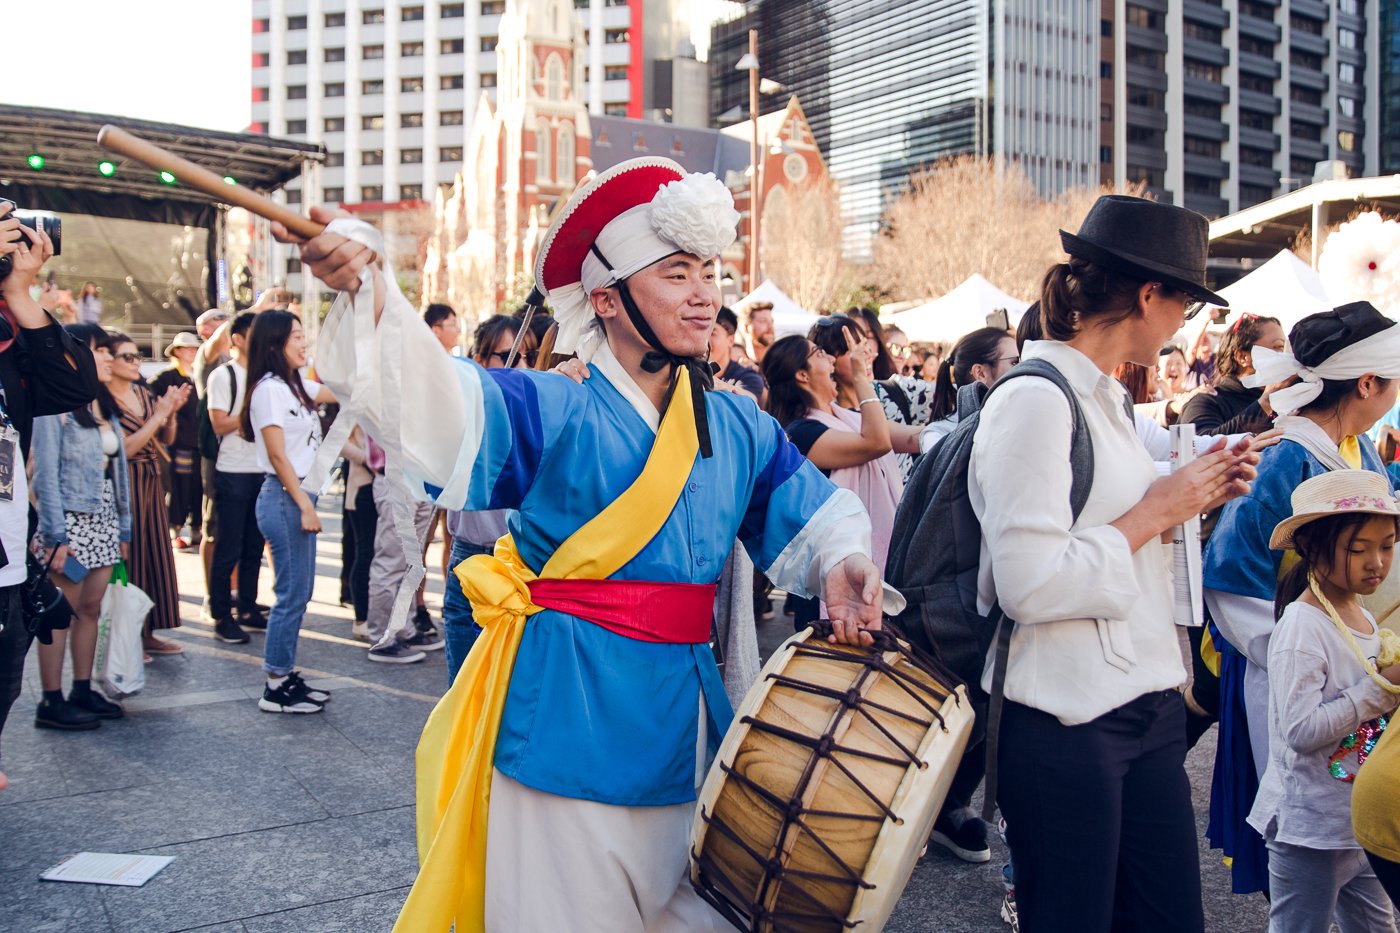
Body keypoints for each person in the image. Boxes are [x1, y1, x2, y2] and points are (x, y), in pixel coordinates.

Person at [279, 158, 888, 931]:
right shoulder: (555, 406)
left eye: (710, 271)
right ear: (606, 298)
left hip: (688, 723)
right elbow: (444, 405)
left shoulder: (739, 425)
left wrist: (844, 560)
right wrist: (370, 294)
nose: (705, 293)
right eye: (676, 273)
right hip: (569, 716)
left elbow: (817, 519)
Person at [973, 195, 1260, 931]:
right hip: (1065, 718)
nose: (1186, 325)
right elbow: (1027, 582)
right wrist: (1161, 509)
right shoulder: (1036, 400)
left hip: (1144, 703)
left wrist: (1189, 496)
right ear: (1148, 295)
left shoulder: (1102, 401)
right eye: (1187, 303)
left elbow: (1116, 534)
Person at [1204, 302, 1400, 896]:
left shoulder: (1355, 447)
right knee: (1302, 815)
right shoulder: (1284, 455)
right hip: (1292, 661)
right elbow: (1230, 578)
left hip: (1350, 651)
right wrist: (1305, 646)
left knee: (1348, 812)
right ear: (1367, 383)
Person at [1251, 469, 1400, 932]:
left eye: (1388, 546)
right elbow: (1299, 732)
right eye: (1358, 549)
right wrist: (1382, 688)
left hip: (1356, 825)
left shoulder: (1359, 612)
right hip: (1309, 830)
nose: (1376, 562)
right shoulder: (1303, 627)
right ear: (1313, 548)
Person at [0, 209, 99, 791]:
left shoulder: (10, 331)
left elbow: (70, 387)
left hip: (11, 551)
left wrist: (18, 288)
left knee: (7, 681)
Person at [760, 328, 899, 632]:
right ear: (802, 375)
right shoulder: (802, 433)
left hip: (858, 559)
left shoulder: (844, 418)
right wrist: (861, 377)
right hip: (831, 569)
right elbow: (877, 441)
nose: (834, 360)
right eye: (820, 354)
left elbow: (910, 438)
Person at [30, 325, 132, 729]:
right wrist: (56, 537)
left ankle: (82, 688)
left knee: (91, 608)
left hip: (103, 519)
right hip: (68, 524)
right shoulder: (53, 407)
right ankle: (51, 700)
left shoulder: (102, 406)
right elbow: (46, 477)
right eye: (100, 351)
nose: (108, 358)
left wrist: (122, 529)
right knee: (61, 611)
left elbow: (117, 472)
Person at [240, 310, 336, 713]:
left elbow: (343, 392)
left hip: (297, 496)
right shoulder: (269, 390)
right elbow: (278, 456)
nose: (303, 342)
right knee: (290, 594)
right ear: (275, 343)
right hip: (284, 496)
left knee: (300, 592)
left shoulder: (295, 386)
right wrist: (303, 506)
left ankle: (285, 673)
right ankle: (275, 684)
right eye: (296, 336)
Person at [441, 315, 538, 680]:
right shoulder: (464, 403)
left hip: (520, 564)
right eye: (508, 355)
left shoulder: (541, 409)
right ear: (482, 358)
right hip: (470, 556)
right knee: (463, 687)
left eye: (530, 357)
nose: (522, 366)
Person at [109, 333, 188, 655]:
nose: (135, 362)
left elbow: (165, 438)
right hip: (123, 481)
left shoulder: (142, 392)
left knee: (155, 554)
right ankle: (126, 638)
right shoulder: (102, 399)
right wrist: (159, 416)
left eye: (136, 356)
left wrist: (171, 413)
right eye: (126, 357)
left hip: (151, 479)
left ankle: (149, 631)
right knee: (129, 558)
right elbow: (124, 449)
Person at [205, 312, 268, 644]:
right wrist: (253, 411)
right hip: (233, 471)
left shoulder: (265, 376)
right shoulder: (224, 376)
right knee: (228, 546)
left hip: (262, 470)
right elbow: (219, 424)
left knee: (254, 546)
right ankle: (221, 615)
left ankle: (247, 606)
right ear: (238, 339)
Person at [1181, 313, 1287, 436]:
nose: (1285, 355)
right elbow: (1198, 446)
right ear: (1242, 357)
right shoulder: (1207, 401)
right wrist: (1264, 406)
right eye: (1278, 346)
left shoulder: (1285, 400)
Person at [920, 327, 1019, 455]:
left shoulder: (1013, 414)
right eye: (1015, 362)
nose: (1023, 368)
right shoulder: (938, 437)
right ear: (980, 373)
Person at [150, 332, 203, 550]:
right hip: (179, 441)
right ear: (177, 351)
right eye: (187, 348)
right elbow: (149, 395)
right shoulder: (166, 377)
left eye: (194, 348)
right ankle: (176, 527)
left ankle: (198, 528)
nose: (192, 352)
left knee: (200, 486)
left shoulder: (201, 375)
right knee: (180, 485)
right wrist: (168, 411)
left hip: (201, 443)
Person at [708, 306, 764, 399]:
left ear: (730, 340)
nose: (705, 340)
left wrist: (721, 386)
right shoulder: (686, 371)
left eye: (712, 333)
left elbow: (750, 400)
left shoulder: (748, 376)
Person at [738, 299, 775, 365]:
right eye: (763, 321)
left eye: (771, 322)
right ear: (747, 327)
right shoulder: (735, 361)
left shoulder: (780, 361)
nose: (770, 328)